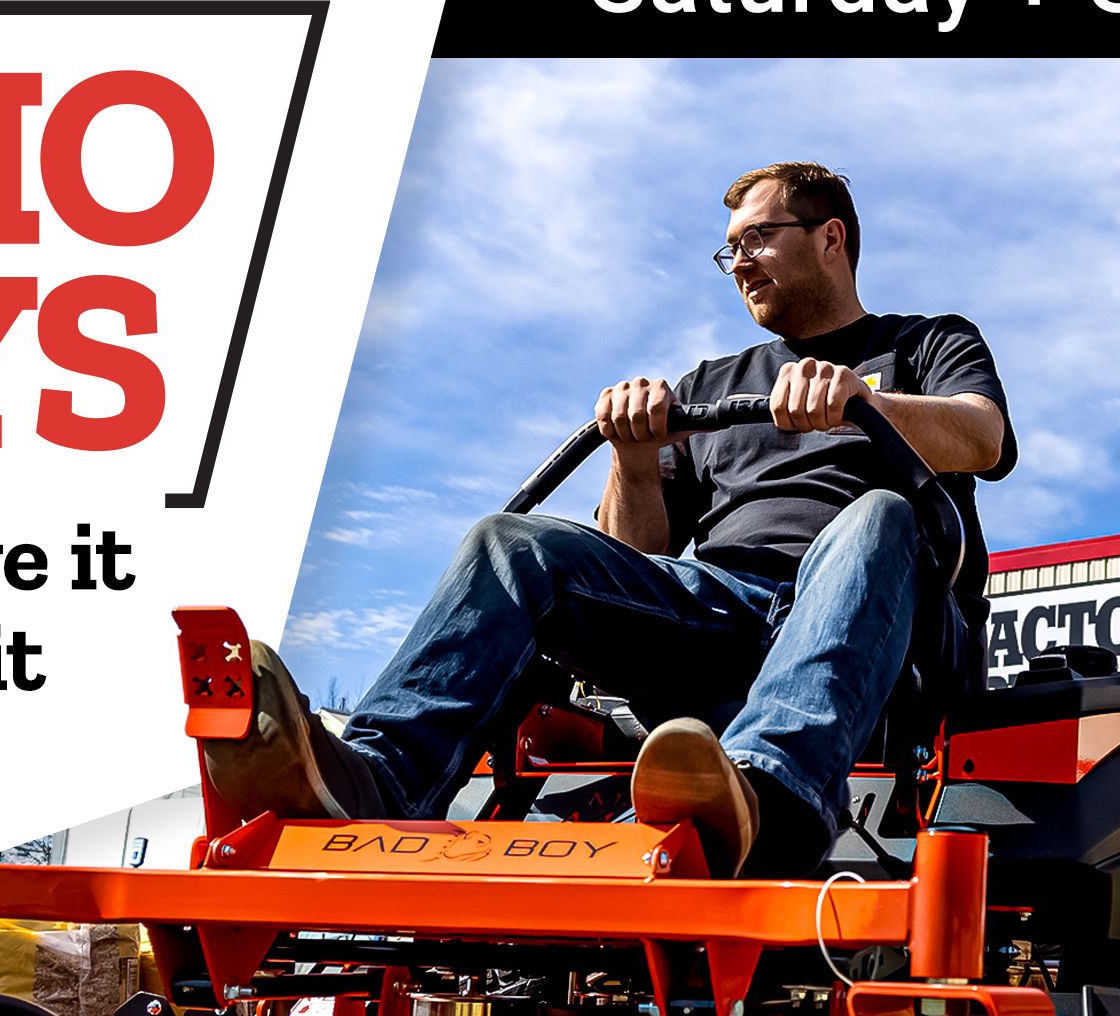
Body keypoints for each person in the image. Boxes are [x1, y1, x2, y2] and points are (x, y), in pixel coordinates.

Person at [201, 162, 1016, 877]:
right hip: (726, 609)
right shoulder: (714, 381)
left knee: (878, 514)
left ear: (831, 237)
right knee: (509, 542)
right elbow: (634, 557)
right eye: (728, 248)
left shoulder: (925, 342)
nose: (738, 262)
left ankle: (769, 794)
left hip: (881, 624)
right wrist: (631, 457)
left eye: (758, 238)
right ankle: (372, 780)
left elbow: (982, 435)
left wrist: (859, 402)